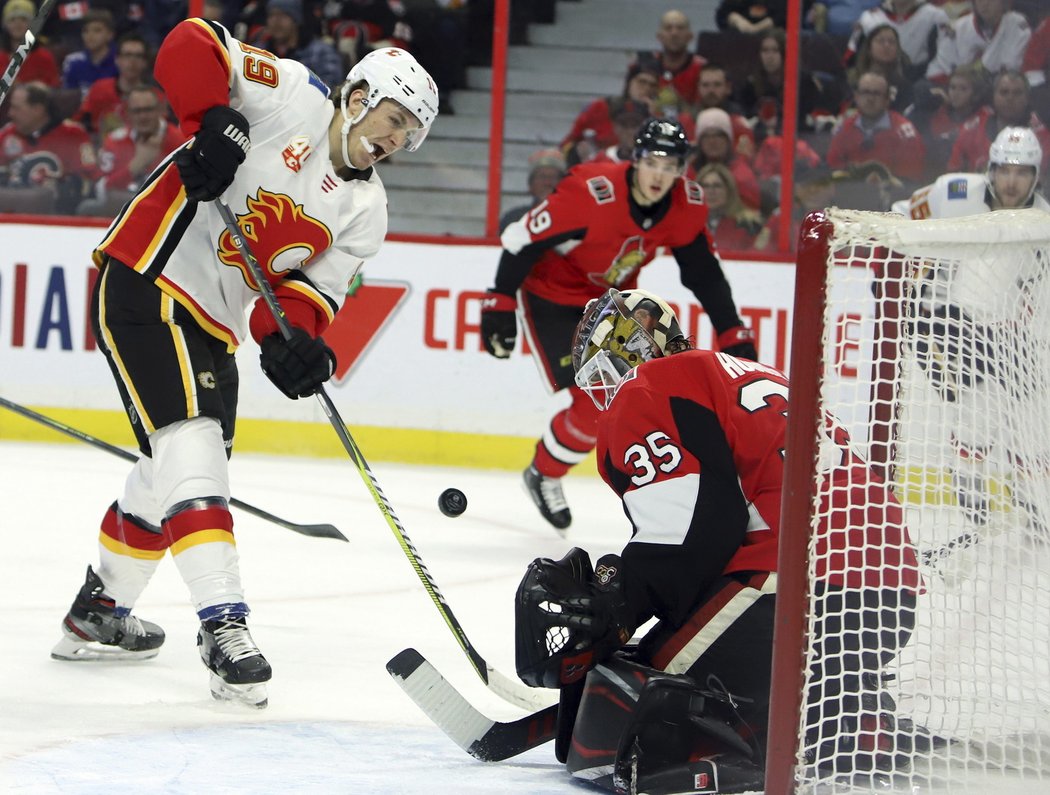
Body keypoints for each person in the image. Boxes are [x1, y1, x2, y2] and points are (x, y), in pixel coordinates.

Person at [49, 16, 438, 708]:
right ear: (358, 97)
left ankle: (100, 609)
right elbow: (189, 40)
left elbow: (299, 295)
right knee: (194, 450)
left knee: (169, 467)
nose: (398, 138)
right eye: (395, 116)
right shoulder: (293, 95)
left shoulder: (366, 210)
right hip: (149, 274)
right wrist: (216, 120)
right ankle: (224, 623)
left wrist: (295, 340)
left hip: (213, 326)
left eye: (412, 132)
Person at [513, 288, 922, 792]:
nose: (607, 391)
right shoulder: (749, 374)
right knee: (694, 653)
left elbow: (692, 533)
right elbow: (720, 521)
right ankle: (844, 713)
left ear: (634, 349)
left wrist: (620, 610)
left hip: (799, 590)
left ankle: (774, 740)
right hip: (889, 597)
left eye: (605, 371)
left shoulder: (649, 385)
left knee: (642, 686)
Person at [480, 118, 757, 533]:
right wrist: (499, 299)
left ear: (683, 170)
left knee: (629, 398)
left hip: (612, 303)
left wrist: (732, 328)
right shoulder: (590, 192)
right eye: (653, 162)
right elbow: (521, 238)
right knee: (592, 405)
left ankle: (547, 473)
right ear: (636, 160)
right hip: (552, 297)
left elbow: (704, 273)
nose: (660, 175)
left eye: (672, 165)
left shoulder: (686, 205)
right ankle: (544, 472)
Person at [893, 127, 1049, 542]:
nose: (1011, 181)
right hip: (937, 318)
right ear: (990, 168)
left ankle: (1028, 492)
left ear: (1036, 175)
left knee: (1031, 411)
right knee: (980, 399)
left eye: (1022, 172)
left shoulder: (1042, 226)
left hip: (1000, 332)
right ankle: (967, 481)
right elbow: (900, 212)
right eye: (1004, 170)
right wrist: (896, 272)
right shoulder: (954, 192)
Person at [79, 85, 187, 217]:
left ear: (160, 110)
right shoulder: (115, 140)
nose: (143, 116)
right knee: (87, 207)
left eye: (148, 110)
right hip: (123, 209)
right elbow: (102, 190)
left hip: (169, 210)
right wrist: (137, 164)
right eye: (137, 111)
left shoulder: (181, 141)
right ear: (128, 113)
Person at [0, 81, 99, 214]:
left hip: (57, 218)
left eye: (16, 108)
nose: (10, 114)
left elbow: (89, 179)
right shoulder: (7, 134)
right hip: (12, 217)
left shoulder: (74, 135)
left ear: (38, 109)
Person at [826, 71, 926, 184]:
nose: (870, 99)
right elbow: (832, 171)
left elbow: (910, 180)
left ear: (887, 99)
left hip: (893, 197)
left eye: (876, 93)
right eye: (865, 92)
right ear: (856, 96)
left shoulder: (904, 131)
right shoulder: (844, 128)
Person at [947, 70, 1050, 174]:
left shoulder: (1041, 137)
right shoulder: (972, 128)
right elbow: (953, 176)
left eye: (1017, 93)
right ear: (993, 96)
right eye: (1004, 92)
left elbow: (1043, 182)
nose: (1010, 98)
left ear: (1027, 98)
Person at [925, 0, 1031, 83]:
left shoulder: (1017, 24)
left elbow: (1012, 66)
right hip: (960, 92)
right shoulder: (959, 27)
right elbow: (941, 67)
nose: (985, 3)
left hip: (998, 91)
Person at [844, 0, 950, 81]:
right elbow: (851, 58)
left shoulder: (935, 17)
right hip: (871, 80)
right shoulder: (870, 17)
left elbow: (942, 61)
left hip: (917, 81)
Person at [250, 0, 344, 90]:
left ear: (296, 21)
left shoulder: (321, 51)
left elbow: (330, 87)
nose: (276, 21)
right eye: (272, 15)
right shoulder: (258, 51)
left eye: (283, 15)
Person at [73, 32, 152, 138]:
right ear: (117, 60)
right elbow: (81, 122)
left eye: (138, 56)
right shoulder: (99, 89)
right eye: (127, 55)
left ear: (145, 62)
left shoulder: (155, 97)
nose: (132, 62)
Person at [630, 9, 705, 109]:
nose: (674, 33)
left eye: (680, 28)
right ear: (659, 36)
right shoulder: (642, 67)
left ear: (690, 36)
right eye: (668, 28)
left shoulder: (703, 69)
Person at [691, 107, 761, 210]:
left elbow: (750, 212)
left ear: (728, 140)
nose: (712, 141)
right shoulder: (688, 173)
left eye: (719, 135)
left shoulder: (743, 175)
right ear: (699, 141)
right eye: (706, 136)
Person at [695, 162, 764, 251]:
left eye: (717, 186)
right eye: (705, 186)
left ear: (729, 190)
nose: (711, 191)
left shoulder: (747, 224)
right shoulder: (686, 223)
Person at [498, 148, 567, 234]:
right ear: (530, 185)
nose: (547, 183)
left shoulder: (572, 220)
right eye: (542, 177)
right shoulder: (514, 220)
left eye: (554, 177)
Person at [0, 0, 60, 87]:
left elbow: (54, 89)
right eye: (12, 20)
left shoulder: (44, 57)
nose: (18, 24)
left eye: (23, 19)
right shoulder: (1, 57)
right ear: (5, 25)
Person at [60, 9, 118, 96]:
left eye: (97, 30)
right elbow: (68, 97)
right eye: (86, 31)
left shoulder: (119, 62)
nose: (90, 35)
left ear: (110, 35)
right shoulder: (73, 62)